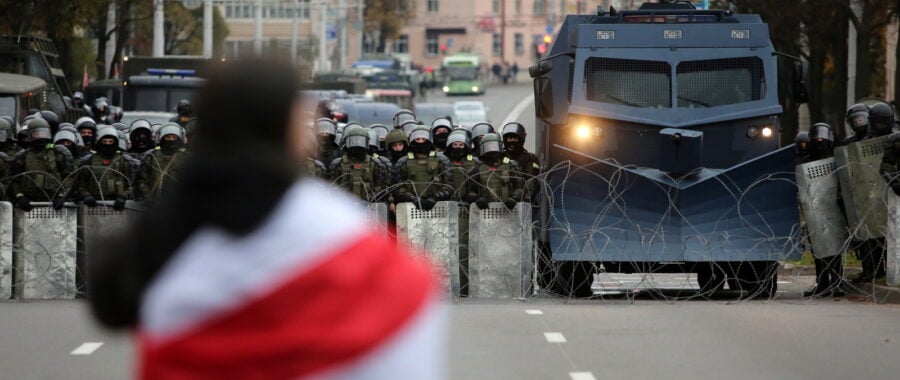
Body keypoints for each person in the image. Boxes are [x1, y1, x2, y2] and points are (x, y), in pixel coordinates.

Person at [87, 57, 445, 379]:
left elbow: (112, 303)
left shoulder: (171, 226)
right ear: (292, 131)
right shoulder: (342, 227)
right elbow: (405, 301)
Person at [802, 124, 845, 297]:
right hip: (814, 207)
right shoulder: (807, 160)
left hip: (832, 207)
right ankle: (823, 282)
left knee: (834, 247)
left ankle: (837, 281)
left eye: (823, 140)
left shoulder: (836, 160)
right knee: (817, 248)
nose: (820, 143)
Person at [8, 118, 74, 211]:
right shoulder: (23, 156)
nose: (40, 136)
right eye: (36, 133)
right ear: (30, 135)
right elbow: (14, 180)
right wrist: (20, 196)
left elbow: (69, 177)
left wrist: (61, 195)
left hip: (54, 202)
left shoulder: (57, 154)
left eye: (43, 133)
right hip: (30, 202)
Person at [77, 127, 139, 210]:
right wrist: (86, 196)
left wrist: (124, 196)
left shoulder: (123, 161)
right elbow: (81, 184)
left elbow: (132, 184)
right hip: (95, 205)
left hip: (118, 205)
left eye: (110, 142)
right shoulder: (89, 161)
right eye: (104, 141)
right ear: (99, 142)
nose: (107, 144)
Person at [392, 125, 452, 211]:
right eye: (417, 139)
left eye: (423, 139)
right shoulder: (403, 162)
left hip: (438, 206)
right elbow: (397, 187)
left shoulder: (441, 160)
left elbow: (449, 185)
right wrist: (412, 198)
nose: (420, 142)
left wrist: (435, 197)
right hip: (410, 207)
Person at [465, 133, 524, 210]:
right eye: (488, 146)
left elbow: (520, 187)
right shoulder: (478, 168)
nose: (492, 149)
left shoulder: (510, 165)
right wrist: (477, 199)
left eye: (494, 146)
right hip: (486, 211)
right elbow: (470, 190)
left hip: (508, 210)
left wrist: (514, 198)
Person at [328, 127, 389, 202]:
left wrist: (371, 197)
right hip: (344, 206)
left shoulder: (374, 163)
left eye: (361, 141)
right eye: (354, 141)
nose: (358, 144)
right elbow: (332, 186)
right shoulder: (338, 164)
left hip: (369, 204)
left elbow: (380, 186)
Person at [137, 124, 189, 200]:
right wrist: (147, 195)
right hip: (154, 203)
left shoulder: (186, 158)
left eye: (174, 137)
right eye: (167, 137)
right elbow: (141, 180)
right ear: (161, 139)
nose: (171, 140)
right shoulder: (152, 156)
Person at [501, 122, 541, 202]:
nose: (512, 141)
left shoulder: (530, 158)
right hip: (500, 199)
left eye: (515, 139)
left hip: (522, 200)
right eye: (509, 138)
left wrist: (520, 197)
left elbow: (531, 180)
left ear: (521, 139)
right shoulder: (499, 156)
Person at [444, 130, 479, 201]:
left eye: (461, 145)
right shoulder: (445, 162)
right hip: (449, 200)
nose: (458, 147)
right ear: (450, 146)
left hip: (469, 201)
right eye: (455, 145)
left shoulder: (474, 162)